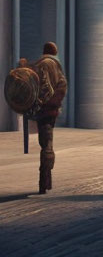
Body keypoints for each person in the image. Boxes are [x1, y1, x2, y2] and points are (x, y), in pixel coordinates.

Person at [32, 42, 68, 194]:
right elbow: (62, 84)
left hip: (40, 110)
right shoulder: (53, 64)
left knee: (44, 142)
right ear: (54, 52)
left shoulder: (38, 64)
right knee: (47, 145)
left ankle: (45, 182)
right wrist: (55, 102)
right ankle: (44, 182)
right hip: (49, 109)